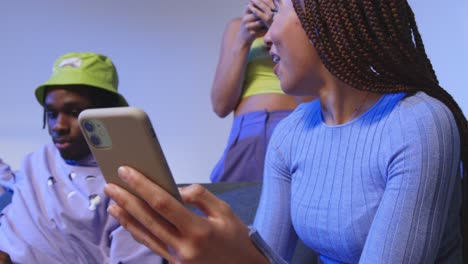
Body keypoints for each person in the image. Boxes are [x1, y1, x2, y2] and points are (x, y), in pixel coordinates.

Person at [104, 0, 467, 263]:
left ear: (324, 13)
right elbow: (271, 253)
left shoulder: (419, 122)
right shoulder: (292, 133)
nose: (267, 38)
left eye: (276, 11)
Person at [0, 52, 162, 263]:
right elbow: (10, 183)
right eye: (51, 113)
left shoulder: (128, 182)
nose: (58, 125)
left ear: (107, 112)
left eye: (75, 112)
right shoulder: (38, 159)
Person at [210, 0, 312, 182]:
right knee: (236, 203)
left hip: (296, 123)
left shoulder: (306, 24)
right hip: (248, 132)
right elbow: (220, 106)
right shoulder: (237, 27)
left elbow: (312, 99)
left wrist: (279, 29)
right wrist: (242, 40)